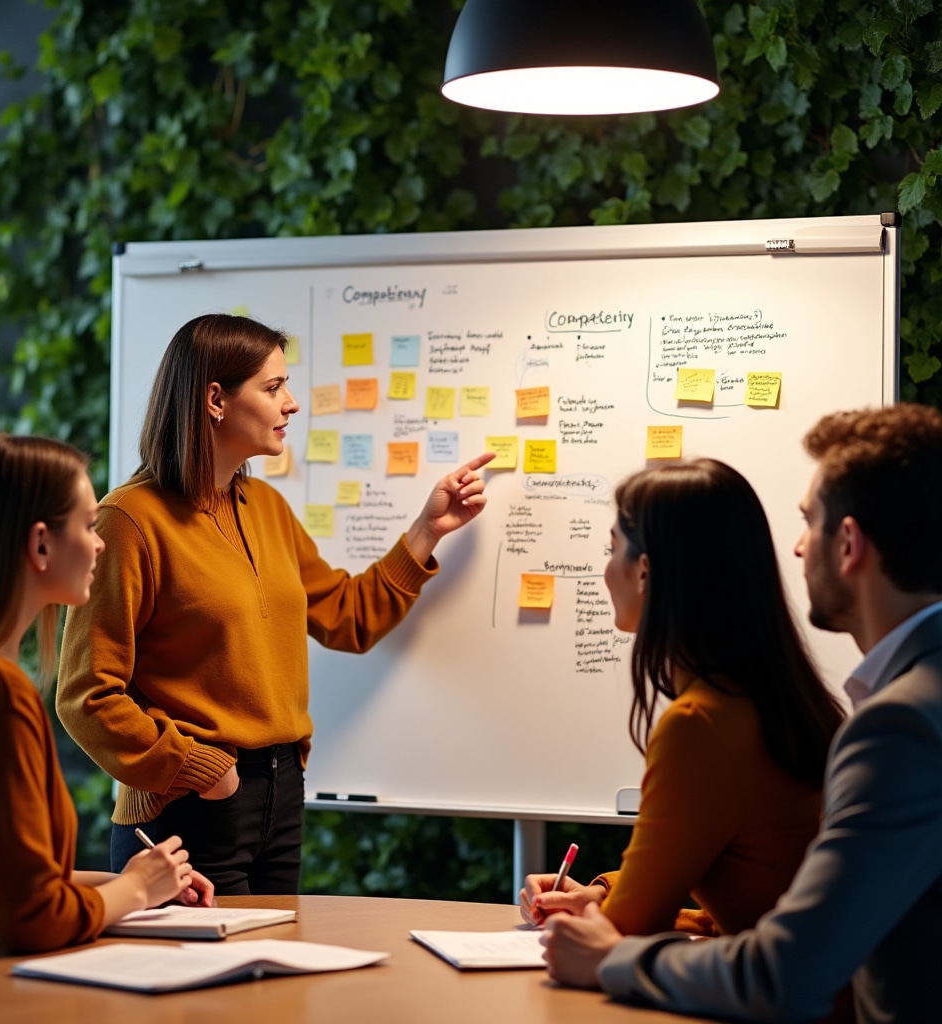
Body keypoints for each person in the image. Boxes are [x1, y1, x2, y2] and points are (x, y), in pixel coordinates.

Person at [56, 313, 494, 896]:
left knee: (270, 985)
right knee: (201, 987)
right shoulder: (129, 520)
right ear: (215, 399)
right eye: (272, 387)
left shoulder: (265, 506)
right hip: (188, 808)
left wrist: (425, 531)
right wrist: (200, 770)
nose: (290, 404)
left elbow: (347, 616)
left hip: (281, 793)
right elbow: (87, 696)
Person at [541, 404, 942, 1024]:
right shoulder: (805, 703)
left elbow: (786, 970)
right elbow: (811, 910)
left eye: (809, 520)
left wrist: (609, 957)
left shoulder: (901, 723)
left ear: (850, 542)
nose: (798, 544)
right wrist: (601, 894)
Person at [0, 433, 214, 966]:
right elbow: (29, 916)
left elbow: (10, 877)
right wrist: (136, 893)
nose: (100, 543)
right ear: (39, 544)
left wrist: (134, 882)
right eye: (87, 526)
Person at [521, 458, 845, 941]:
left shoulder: (699, 725)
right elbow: (746, 923)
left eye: (612, 550)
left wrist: (602, 914)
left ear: (646, 572)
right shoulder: (775, 701)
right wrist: (603, 895)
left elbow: (620, 935)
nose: (606, 571)